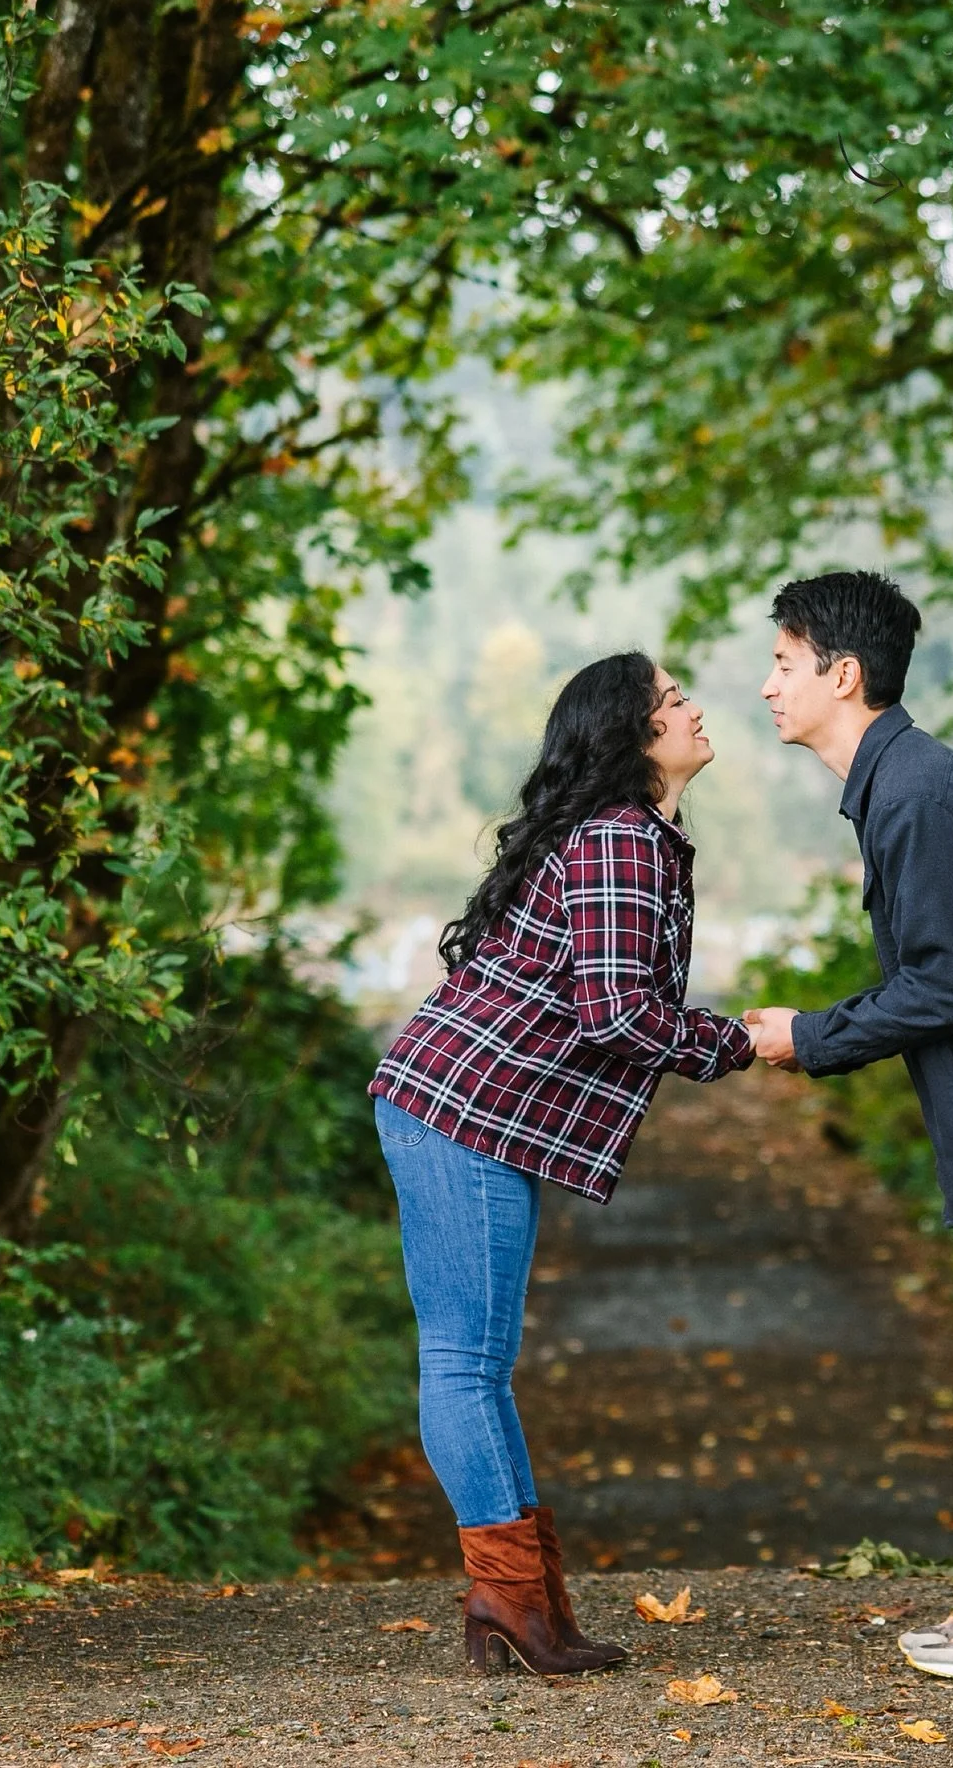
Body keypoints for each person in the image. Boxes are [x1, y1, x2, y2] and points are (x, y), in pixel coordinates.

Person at [370, 652, 754, 1676]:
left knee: (476, 1364)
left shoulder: (638, 838)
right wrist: (748, 1042)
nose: (695, 707)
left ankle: (526, 1605)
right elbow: (622, 1012)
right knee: (463, 1361)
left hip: (465, 1113)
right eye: (674, 699)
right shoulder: (623, 838)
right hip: (457, 1111)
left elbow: (613, 1005)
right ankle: (510, 1603)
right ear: (633, 732)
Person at [745, 569, 953, 1680]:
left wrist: (809, 1035)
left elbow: (946, 982)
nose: (767, 685)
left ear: (844, 673)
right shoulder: (898, 787)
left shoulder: (917, 793)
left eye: (785, 664)